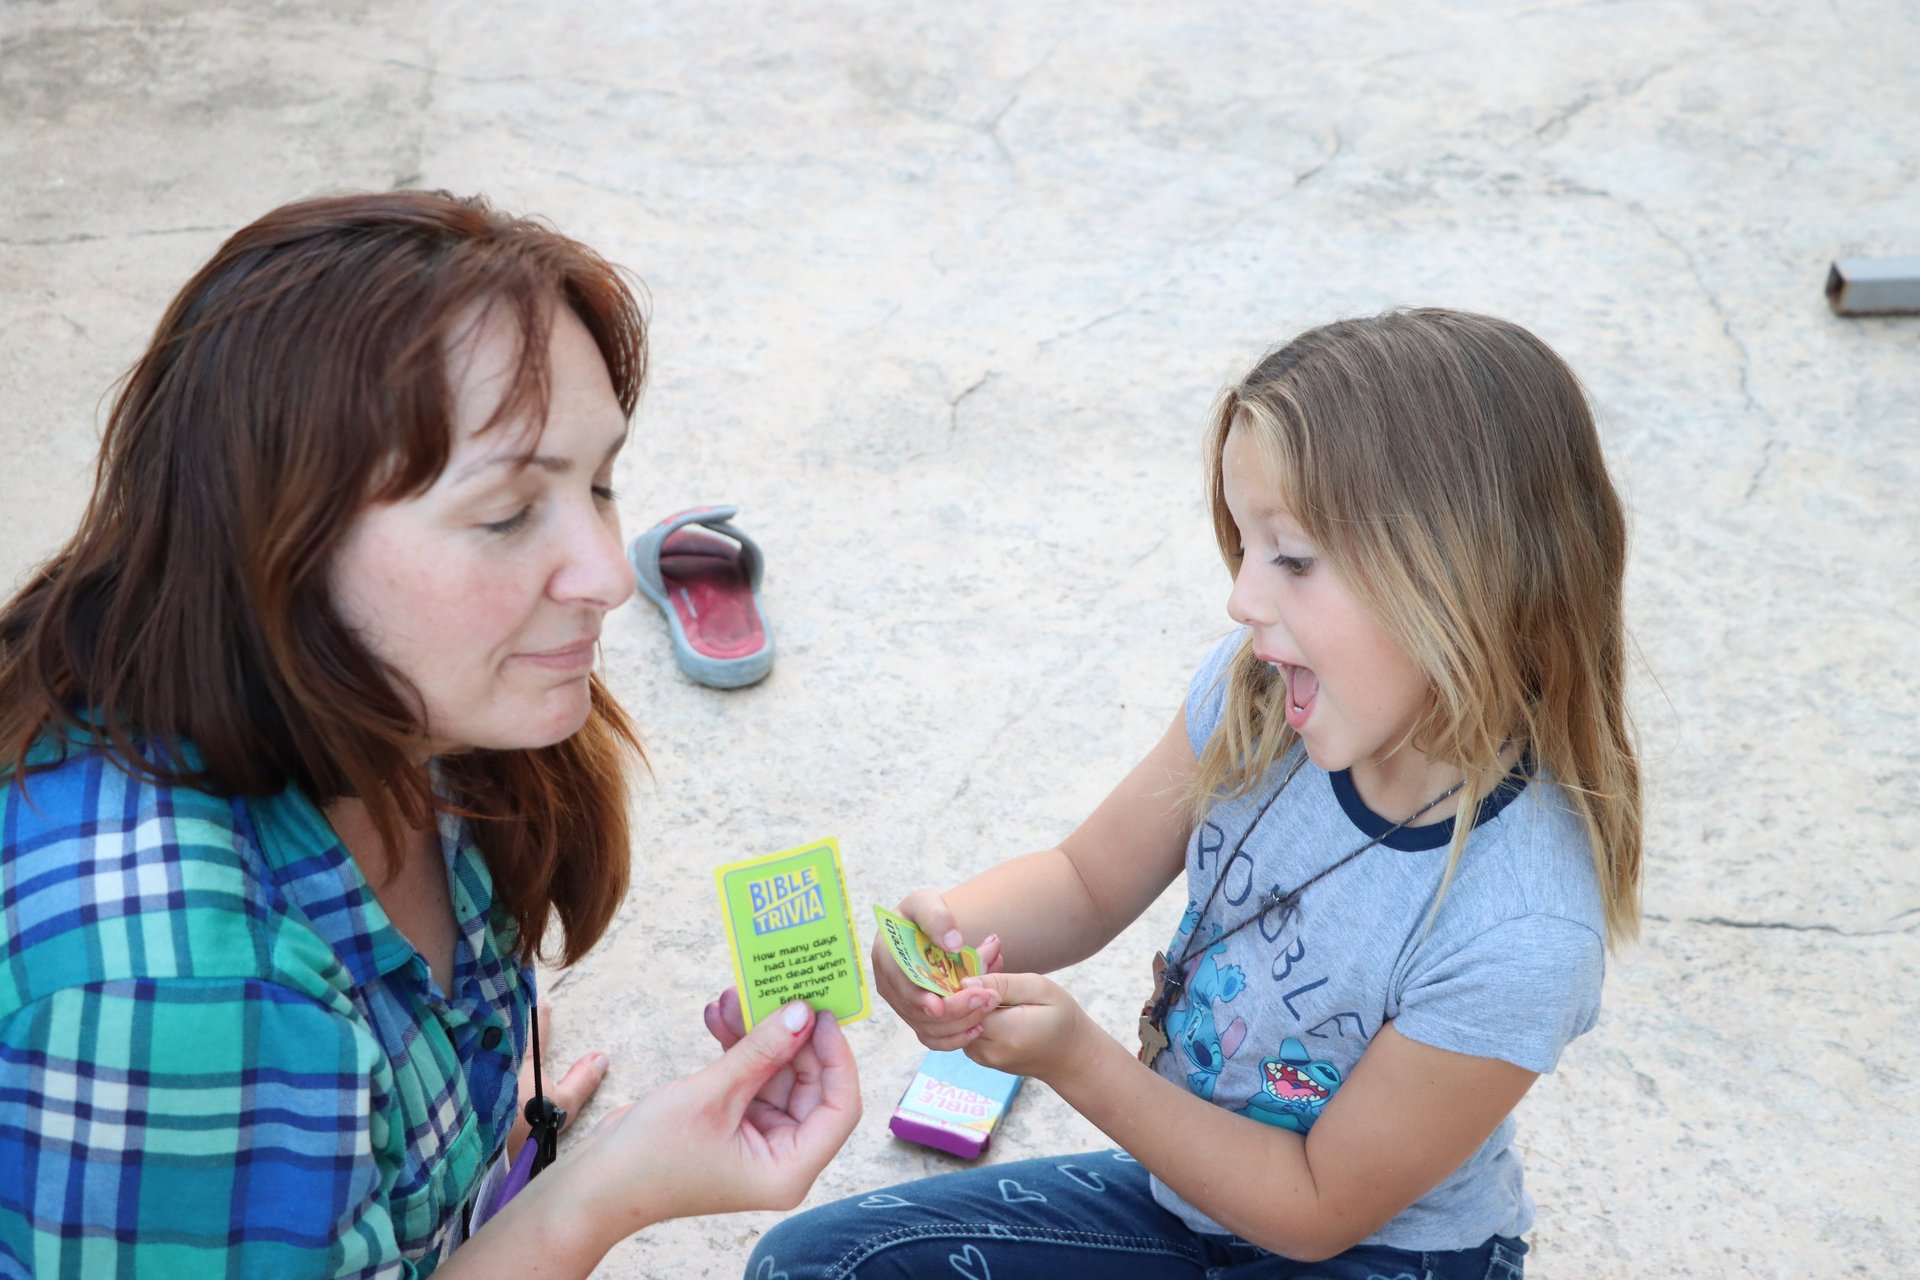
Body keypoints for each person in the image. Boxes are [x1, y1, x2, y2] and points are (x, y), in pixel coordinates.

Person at [0, 191, 859, 1279]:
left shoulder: (420, 703)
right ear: (281, 543)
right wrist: (598, 1197)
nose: (605, 573)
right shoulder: (190, 1002)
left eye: (599, 483)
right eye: (506, 513)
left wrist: (471, 1139)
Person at [746, 309, 1640, 1279]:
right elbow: (1087, 880)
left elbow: (1314, 1210)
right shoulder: (1261, 697)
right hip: (1190, 1194)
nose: (1243, 598)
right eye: (1245, 547)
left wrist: (1078, 1058)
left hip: (1377, 1252)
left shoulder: (1523, 926)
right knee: (815, 1267)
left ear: (1462, 576)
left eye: (1291, 557)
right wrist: (941, 939)